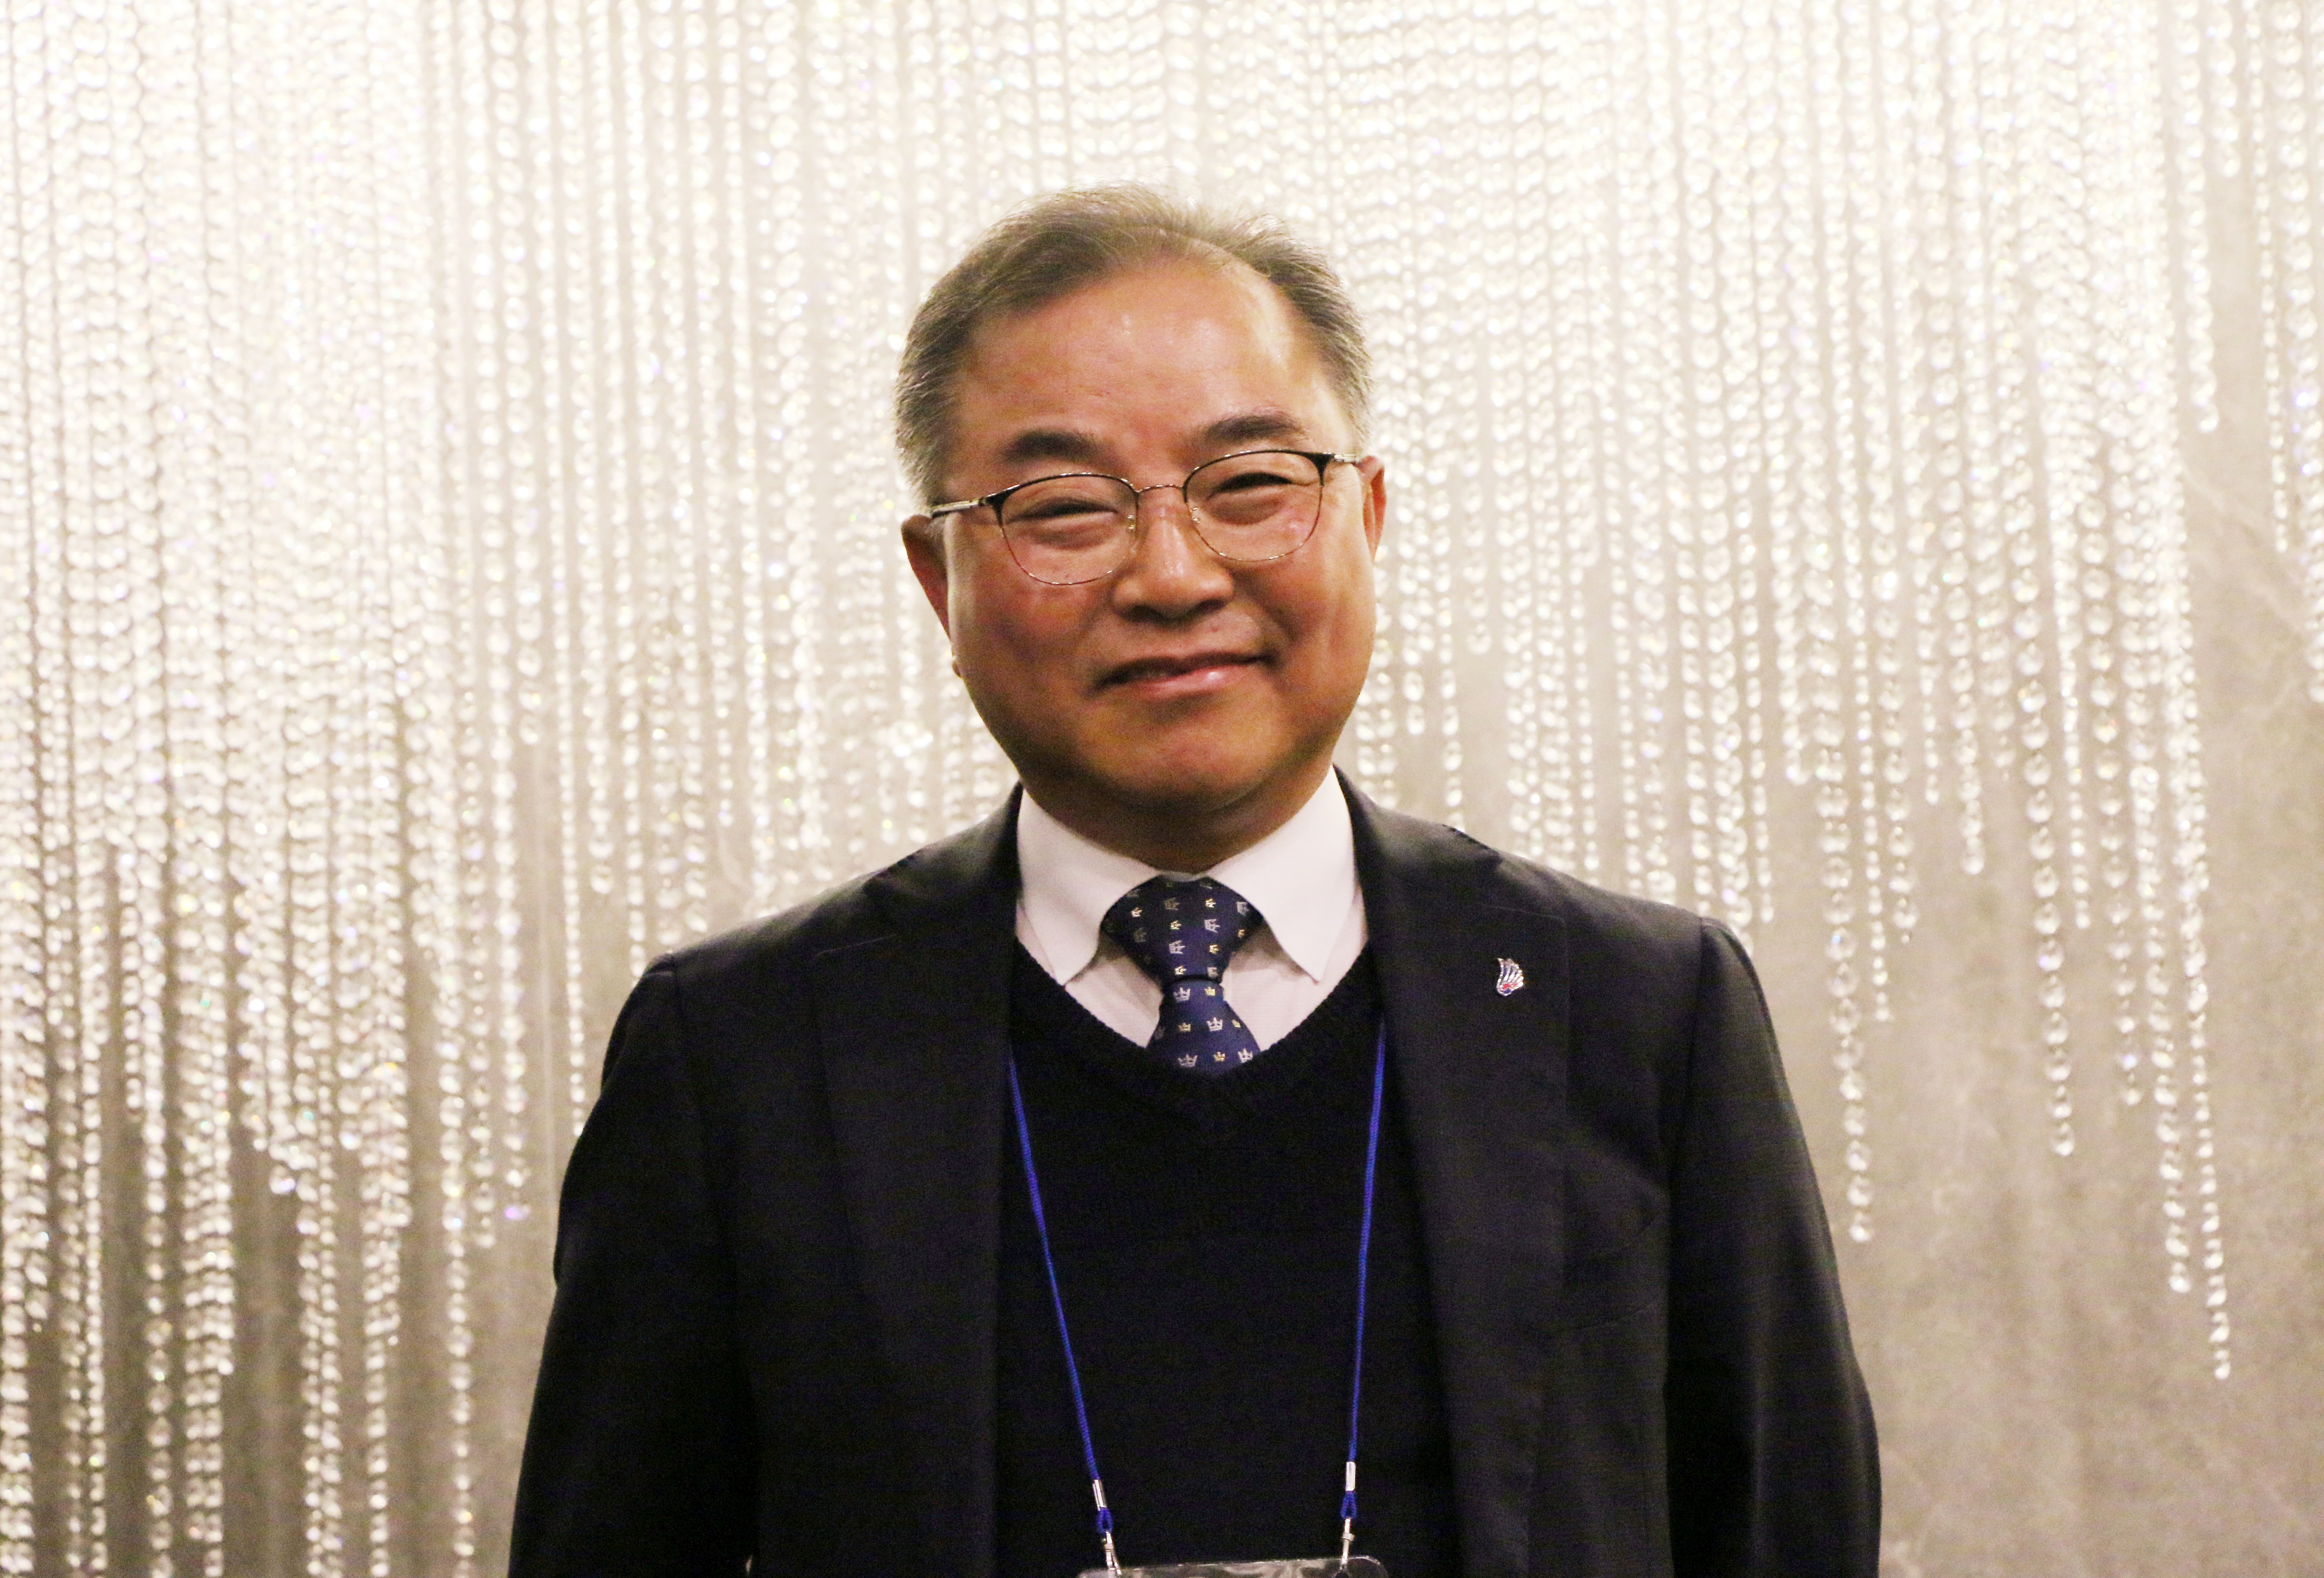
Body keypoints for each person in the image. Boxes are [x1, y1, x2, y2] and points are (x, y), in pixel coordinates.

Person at [508, 185, 1878, 1578]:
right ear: (938, 578)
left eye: (1252, 487)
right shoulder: (739, 1060)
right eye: (1063, 508)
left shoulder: (1642, 1015)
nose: (1172, 575)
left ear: (1368, 517)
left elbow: (1786, 1528)